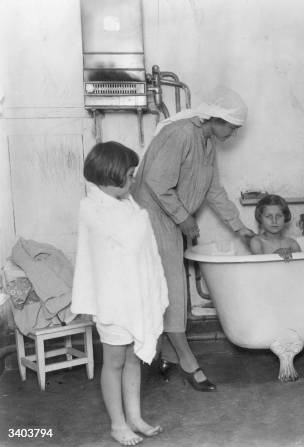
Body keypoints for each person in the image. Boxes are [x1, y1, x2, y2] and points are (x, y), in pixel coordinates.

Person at [132, 86, 255, 391]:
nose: (234, 134)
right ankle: (188, 361)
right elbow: (156, 182)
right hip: (151, 219)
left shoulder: (206, 142)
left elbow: (213, 190)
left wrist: (239, 226)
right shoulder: (181, 134)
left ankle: (167, 357)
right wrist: (184, 218)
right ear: (218, 119)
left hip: (169, 220)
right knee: (171, 291)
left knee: (170, 292)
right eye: (233, 128)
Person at [72, 142, 168, 446]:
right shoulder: (92, 208)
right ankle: (117, 424)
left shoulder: (128, 205)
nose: (133, 180)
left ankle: (135, 417)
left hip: (133, 297)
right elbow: (115, 250)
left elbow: (142, 252)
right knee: (114, 361)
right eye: (129, 175)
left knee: (133, 358)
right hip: (112, 301)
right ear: (110, 176)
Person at [249, 194, 304, 261]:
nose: (274, 221)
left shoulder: (291, 243)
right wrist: (275, 255)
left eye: (279, 216)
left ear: (285, 217)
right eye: (269, 216)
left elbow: (301, 265)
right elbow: (259, 268)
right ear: (260, 218)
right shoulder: (257, 242)